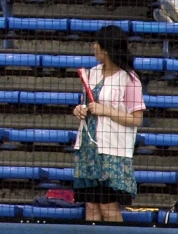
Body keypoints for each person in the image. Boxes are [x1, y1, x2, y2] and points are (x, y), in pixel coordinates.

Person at [72, 25, 145, 223]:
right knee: (91, 206)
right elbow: (86, 103)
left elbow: (136, 119)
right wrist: (80, 110)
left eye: (97, 43)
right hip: (89, 148)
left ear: (106, 49)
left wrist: (107, 111)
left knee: (108, 206)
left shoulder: (129, 79)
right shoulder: (92, 73)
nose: (93, 46)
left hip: (112, 150)